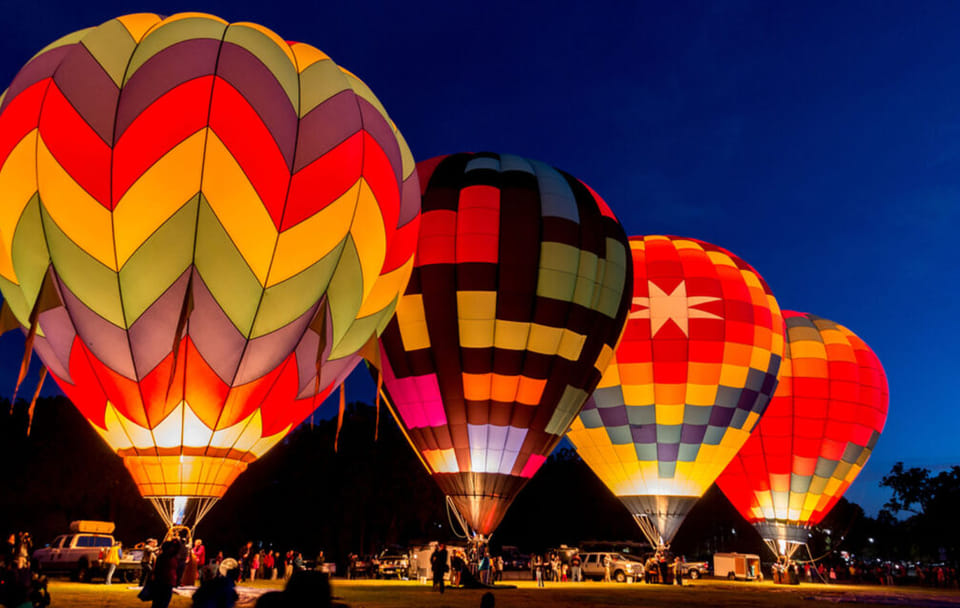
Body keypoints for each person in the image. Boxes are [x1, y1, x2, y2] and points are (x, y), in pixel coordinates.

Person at [150, 538, 180, 608]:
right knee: (162, 602)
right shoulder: (169, 557)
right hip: (165, 582)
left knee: (158, 602)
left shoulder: (162, 557)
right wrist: (175, 540)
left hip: (162, 581)